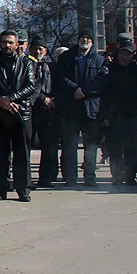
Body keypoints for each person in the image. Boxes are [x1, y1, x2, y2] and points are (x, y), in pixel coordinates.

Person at [0, 30, 37, 202]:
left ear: (17, 44)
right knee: (1, 153)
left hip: (22, 113)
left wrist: (12, 99)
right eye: (4, 42)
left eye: (10, 42)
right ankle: (1, 189)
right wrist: (2, 100)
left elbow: (31, 86)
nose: (7, 45)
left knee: (22, 154)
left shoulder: (27, 63)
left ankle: (23, 189)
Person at [53, 29, 109, 187]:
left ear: (92, 42)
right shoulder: (66, 58)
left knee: (91, 146)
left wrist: (84, 90)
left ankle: (90, 176)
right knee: (69, 146)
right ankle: (70, 178)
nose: (85, 40)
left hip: (91, 109)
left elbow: (103, 81)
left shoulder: (100, 60)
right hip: (71, 109)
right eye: (82, 37)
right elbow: (60, 77)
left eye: (88, 38)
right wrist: (74, 89)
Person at [99, 40, 137, 186]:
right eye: (122, 53)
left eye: (128, 54)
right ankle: (117, 175)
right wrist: (105, 115)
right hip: (114, 116)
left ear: (132, 55)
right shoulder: (110, 69)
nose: (124, 57)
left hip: (134, 116)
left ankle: (131, 174)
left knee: (133, 148)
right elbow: (103, 94)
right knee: (114, 148)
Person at [29, 35, 60, 187]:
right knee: (27, 144)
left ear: (45, 51)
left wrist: (52, 101)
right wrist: (42, 99)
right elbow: (30, 85)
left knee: (49, 146)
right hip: (32, 108)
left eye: (40, 49)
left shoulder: (52, 66)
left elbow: (60, 84)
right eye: (34, 49)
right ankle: (26, 178)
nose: (37, 52)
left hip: (50, 111)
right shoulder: (27, 65)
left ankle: (46, 178)